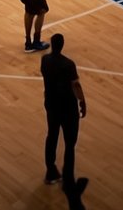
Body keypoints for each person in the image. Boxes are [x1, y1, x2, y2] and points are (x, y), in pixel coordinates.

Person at [40, 33, 87, 189]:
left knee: (52, 136)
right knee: (69, 143)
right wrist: (82, 101)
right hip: (67, 107)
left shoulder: (45, 60)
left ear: (52, 44)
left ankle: (50, 170)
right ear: (62, 44)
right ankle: (67, 177)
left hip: (51, 104)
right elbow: (76, 85)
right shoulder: (68, 64)